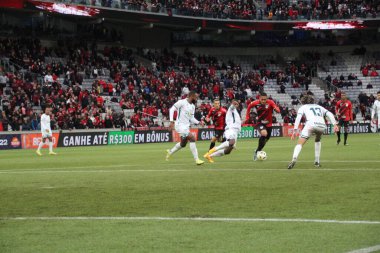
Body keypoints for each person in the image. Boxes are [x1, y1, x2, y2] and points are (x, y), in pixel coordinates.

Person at [288, 95, 338, 169]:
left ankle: (294, 158)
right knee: (317, 140)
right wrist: (335, 125)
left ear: (303, 102)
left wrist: (295, 130)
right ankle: (317, 161)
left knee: (300, 143)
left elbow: (298, 118)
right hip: (322, 126)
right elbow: (330, 114)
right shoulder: (319, 107)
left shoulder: (303, 107)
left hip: (310, 125)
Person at [166, 91, 204, 165]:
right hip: (179, 125)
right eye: (196, 97)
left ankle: (170, 152)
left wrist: (199, 122)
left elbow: (191, 118)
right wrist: (171, 121)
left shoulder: (192, 106)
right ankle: (197, 159)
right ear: (191, 96)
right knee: (192, 138)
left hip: (186, 127)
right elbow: (172, 109)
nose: (196, 99)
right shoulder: (182, 102)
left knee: (183, 144)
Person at [245, 92, 280, 160]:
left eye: (265, 99)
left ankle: (257, 151)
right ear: (259, 98)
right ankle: (258, 152)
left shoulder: (270, 102)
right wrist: (247, 117)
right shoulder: (255, 103)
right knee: (264, 133)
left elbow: (277, 109)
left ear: (267, 98)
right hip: (260, 123)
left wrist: (277, 110)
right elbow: (249, 106)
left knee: (265, 140)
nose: (263, 101)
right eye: (262, 99)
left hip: (269, 124)